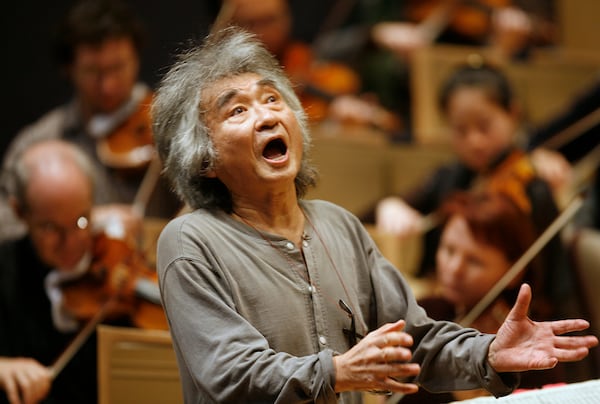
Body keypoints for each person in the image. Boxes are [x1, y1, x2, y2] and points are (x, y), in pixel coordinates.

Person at [151, 26, 597, 403]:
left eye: (272, 99)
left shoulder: (339, 224)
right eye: (239, 110)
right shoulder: (190, 240)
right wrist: (339, 371)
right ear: (204, 158)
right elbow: (231, 375)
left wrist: (487, 353)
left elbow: (415, 343)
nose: (266, 116)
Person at [364, 63, 576, 316]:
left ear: (513, 113)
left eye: (484, 126)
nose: (474, 141)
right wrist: (390, 204)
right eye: (461, 130)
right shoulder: (450, 176)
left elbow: (556, 283)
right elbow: (364, 218)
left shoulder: (533, 187)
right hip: (450, 312)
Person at [0, 0, 181, 244]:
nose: (108, 85)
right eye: (93, 72)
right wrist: (82, 220)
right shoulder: (40, 141)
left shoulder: (172, 120)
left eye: (118, 67)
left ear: (136, 58)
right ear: (68, 69)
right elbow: (5, 221)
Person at [0, 139, 167, 404]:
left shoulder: (114, 261)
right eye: (51, 229)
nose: (72, 242)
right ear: (20, 213)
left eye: (81, 220)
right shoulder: (5, 267)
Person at [397, 191, 565, 403]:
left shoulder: (531, 337)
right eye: (448, 250)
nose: (454, 269)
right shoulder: (423, 314)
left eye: (474, 262)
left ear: (514, 273)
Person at [217, 0, 403, 137]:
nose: (263, 32)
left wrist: (336, 125)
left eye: (270, 20)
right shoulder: (223, 80)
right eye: (251, 23)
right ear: (231, 26)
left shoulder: (304, 58)